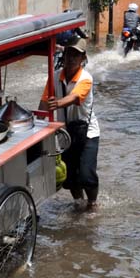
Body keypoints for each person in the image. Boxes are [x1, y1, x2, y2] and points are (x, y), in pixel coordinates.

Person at [40, 38, 100, 209]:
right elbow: (44, 103)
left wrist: (57, 103)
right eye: (69, 54)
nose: (72, 58)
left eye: (76, 55)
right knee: (71, 177)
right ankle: (78, 202)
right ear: (64, 56)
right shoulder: (54, 77)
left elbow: (74, 97)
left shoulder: (86, 78)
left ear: (83, 58)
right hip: (65, 134)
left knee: (87, 174)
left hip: (87, 132)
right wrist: (35, 124)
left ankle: (93, 204)